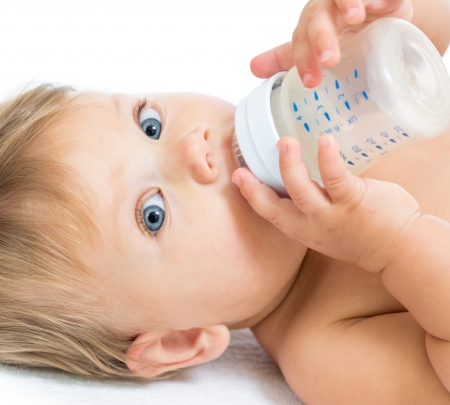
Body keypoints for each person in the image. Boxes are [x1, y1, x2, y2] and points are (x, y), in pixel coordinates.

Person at [0, 0, 449, 404]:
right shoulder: (323, 344)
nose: (193, 148)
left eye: (150, 125)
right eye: (152, 215)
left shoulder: (332, 112)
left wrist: (372, 24)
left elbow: (427, 40)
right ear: (180, 339)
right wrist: (396, 246)